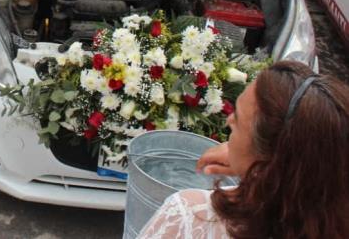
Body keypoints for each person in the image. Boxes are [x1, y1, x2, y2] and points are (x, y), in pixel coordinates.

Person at [137, 60, 349, 238]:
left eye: (237, 119)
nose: (229, 121)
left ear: (268, 165)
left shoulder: (191, 216)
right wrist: (250, 165)